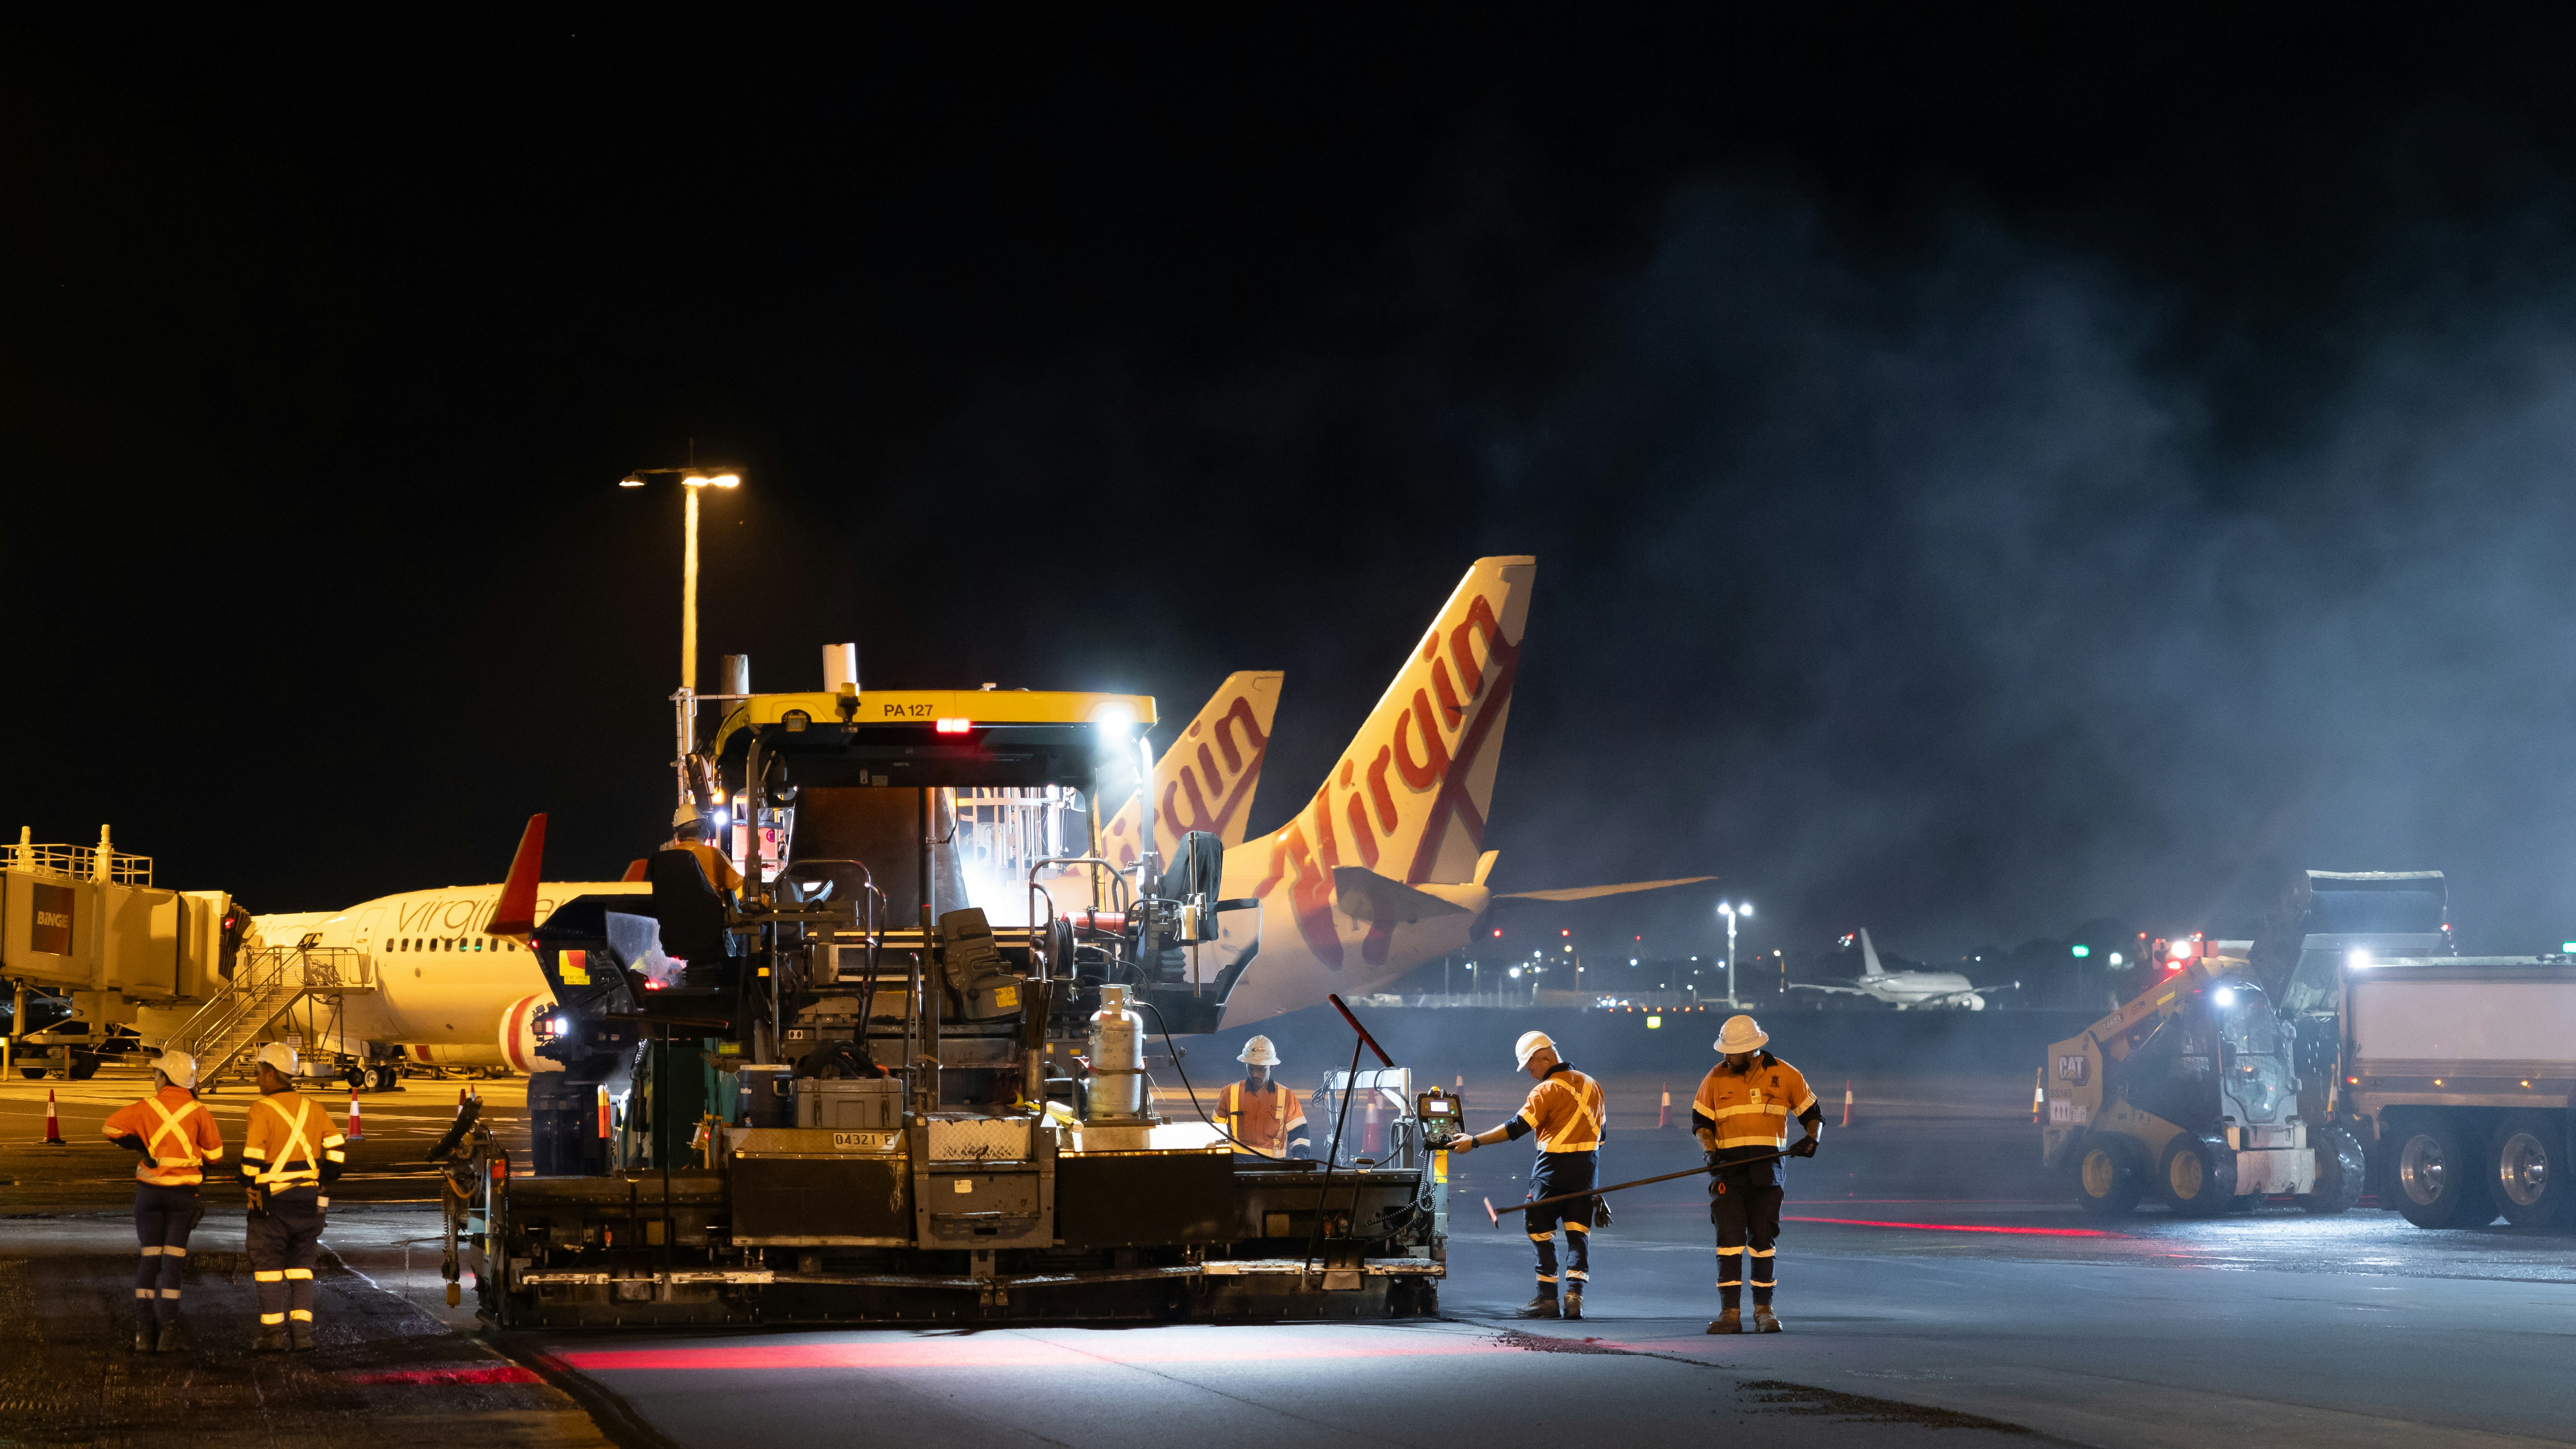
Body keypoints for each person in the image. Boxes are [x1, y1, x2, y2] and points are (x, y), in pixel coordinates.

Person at [1446, 1030, 1606, 1320]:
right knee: (1578, 1234)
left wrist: (1475, 1141)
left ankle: (1547, 1299)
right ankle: (1574, 1299)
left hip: (1551, 1172)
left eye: (1530, 1066)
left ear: (1544, 1057)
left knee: (1538, 1228)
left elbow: (1515, 1128)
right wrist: (1596, 1189)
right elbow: (1600, 1136)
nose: (1529, 1072)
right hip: (1587, 1173)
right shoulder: (1592, 1085)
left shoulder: (1546, 1090)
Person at [1691, 1014, 1822, 1335]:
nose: (1725, 1056)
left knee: (1763, 1242)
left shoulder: (1785, 1075)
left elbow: (1813, 1114)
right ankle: (1729, 1313)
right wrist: (1709, 1152)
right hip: (1728, 1172)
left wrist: (1811, 1139)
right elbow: (1701, 1123)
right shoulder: (1715, 1078)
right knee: (1729, 1243)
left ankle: (1764, 1311)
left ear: (1751, 1050)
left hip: (1768, 1172)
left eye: (1730, 1051)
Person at [102, 1049, 224, 1353]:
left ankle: (144, 1332)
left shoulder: (146, 1107)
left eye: (157, 1074)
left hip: (150, 1194)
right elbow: (216, 1156)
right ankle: (168, 1332)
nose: (154, 1079)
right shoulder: (199, 1111)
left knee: (150, 1259)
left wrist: (142, 1147)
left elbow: (110, 1128)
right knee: (172, 1263)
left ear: (165, 1077)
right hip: (183, 1198)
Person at [241, 1043, 347, 1352]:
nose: (258, 1078)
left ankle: (273, 1335)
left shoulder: (261, 1110)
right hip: (308, 1202)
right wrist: (324, 1179)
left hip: (272, 1205)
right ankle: (303, 1336)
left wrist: (246, 1180)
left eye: (260, 1071)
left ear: (271, 1073)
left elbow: (252, 1161)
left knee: (268, 1269)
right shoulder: (313, 1107)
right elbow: (338, 1147)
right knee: (302, 1269)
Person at [1216, 1036, 1310, 1160]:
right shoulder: (1229, 1093)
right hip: (1237, 1164)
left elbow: (1300, 1134)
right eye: (1251, 1068)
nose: (1255, 1075)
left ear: (1272, 1066)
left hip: (1273, 1166)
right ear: (1245, 1065)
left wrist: (1300, 1160)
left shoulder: (1287, 1096)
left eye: (1261, 1070)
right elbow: (1215, 1131)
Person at [665, 807, 744, 899]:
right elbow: (738, 890)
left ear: (678, 834)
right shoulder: (714, 855)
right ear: (706, 832)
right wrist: (763, 900)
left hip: (673, 913)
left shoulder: (665, 858)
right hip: (709, 913)